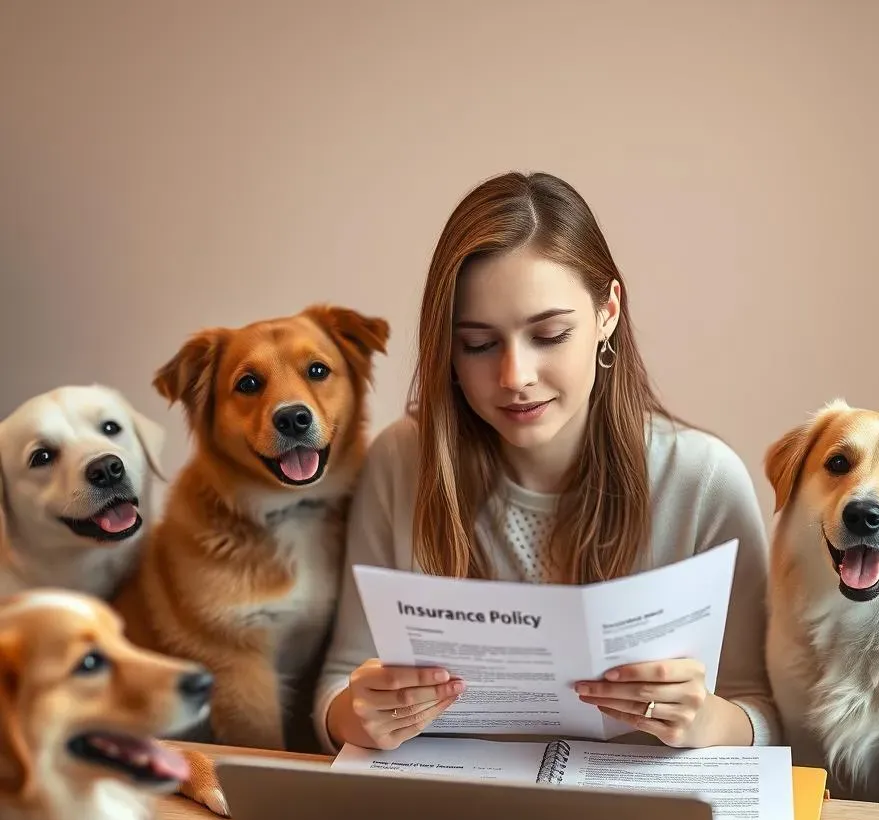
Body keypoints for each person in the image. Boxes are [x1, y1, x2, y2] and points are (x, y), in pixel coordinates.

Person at [313, 170, 780, 753]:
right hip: (452, 816)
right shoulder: (401, 460)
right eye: (478, 345)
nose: (515, 378)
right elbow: (340, 680)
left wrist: (708, 721)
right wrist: (356, 716)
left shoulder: (704, 481)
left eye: (551, 334)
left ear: (608, 312)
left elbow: (762, 714)